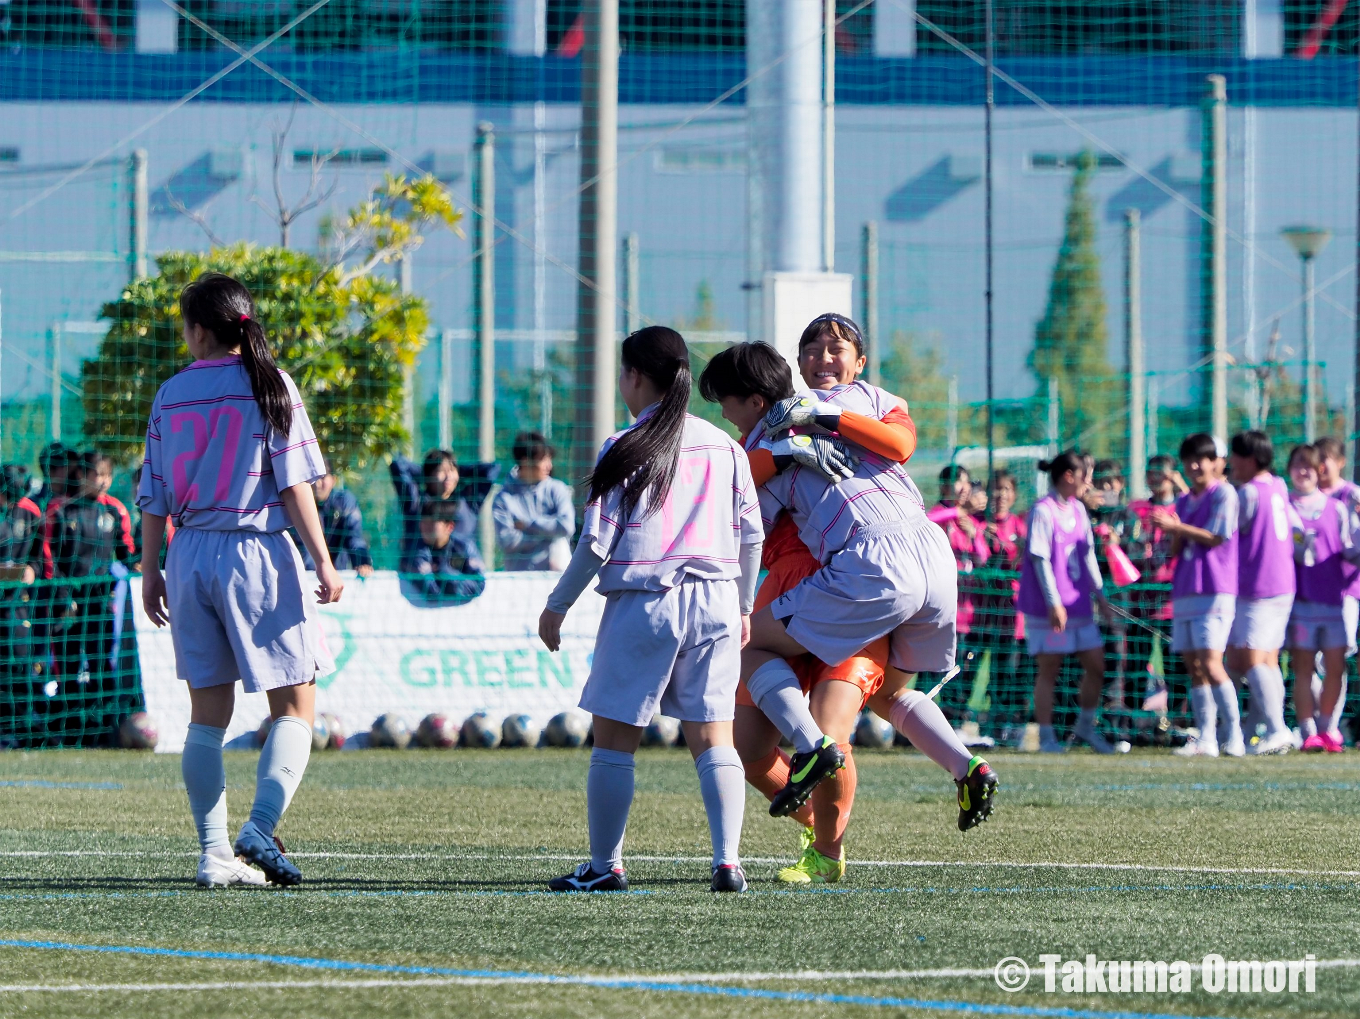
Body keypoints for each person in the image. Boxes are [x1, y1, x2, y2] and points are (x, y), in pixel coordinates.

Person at [739, 314, 995, 842]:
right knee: (891, 694)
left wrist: (813, 425)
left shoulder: (852, 404)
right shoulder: (805, 423)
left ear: (860, 363)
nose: (823, 358)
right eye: (811, 349)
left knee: (746, 646)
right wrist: (788, 447)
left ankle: (812, 749)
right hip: (932, 559)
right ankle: (968, 768)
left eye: (837, 348)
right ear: (797, 361)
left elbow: (899, 445)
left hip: (872, 562)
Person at [537, 326, 764, 894]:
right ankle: (728, 862)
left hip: (646, 599)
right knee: (715, 738)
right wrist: (744, 607)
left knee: (615, 739)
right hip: (715, 600)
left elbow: (595, 542)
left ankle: (605, 865)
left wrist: (555, 606)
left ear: (634, 376)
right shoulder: (726, 446)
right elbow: (751, 534)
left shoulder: (626, 444)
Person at [137, 272, 342, 889]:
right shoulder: (270, 383)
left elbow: (152, 494)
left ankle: (213, 855)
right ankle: (260, 825)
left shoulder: (171, 393)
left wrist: (151, 572)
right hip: (255, 551)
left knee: (207, 715)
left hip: (189, 553)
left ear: (198, 330)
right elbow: (294, 483)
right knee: (296, 703)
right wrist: (324, 560)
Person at [1150, 434, 1242, 757]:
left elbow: (1217, 537)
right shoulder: (1185, 501)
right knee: (1194, 666)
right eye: (1189, 459)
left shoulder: (1225, 494)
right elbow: (1177, 547)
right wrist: (1170, 529)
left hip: (1215, 588)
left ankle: (1235, 735)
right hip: (1187, 587)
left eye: (1202, 458)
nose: (1195, 465)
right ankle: (1206, 738)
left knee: (1212, 662)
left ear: (1217, 462)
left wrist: (1177, 528)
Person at [1016, 451, 1114, 754]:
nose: (1090, 480)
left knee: (1096, 665)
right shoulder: (1043, 511)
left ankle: (1085, 727)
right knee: (1050, 670)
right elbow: (1040, 558)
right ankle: (1047, 737)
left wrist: (1101, 596)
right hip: (1050, 608)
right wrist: (1053, 602)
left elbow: (1087, 556)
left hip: (1079, 605)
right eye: (1085, 473)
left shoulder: (1079, 510)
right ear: (1069, 476)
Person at [1225, 431, 1298, 756]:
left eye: (1235, 456)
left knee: (1254, 658)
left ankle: (1277, 729)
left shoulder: (1249, 492)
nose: (1230, 463)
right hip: (1282, 582)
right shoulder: (1279, 486)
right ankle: (1252, 727)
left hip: (1259, 585)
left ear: (1249, 459)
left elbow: (1227, 535)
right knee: (1260, 658)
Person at [1286, 443, 1358, 753]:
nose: (1303, 472)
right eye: (1297, 465)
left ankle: (1329, 728)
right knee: (1303, 668)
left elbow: (1348, 551)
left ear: (1319, 471)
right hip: (1299, 603)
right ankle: (1308, 731)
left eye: (1309, 466)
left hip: (1333, 602)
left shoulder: (1337, 508)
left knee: (1335, 666)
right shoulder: (1284, 505)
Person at [1313, 435, 1357, 736]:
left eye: (1325, 458)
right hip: (1309, 589)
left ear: (1340, 461)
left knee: (1335, 656)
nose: (1320, 465)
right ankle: (1314, 722)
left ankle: (1330, 725)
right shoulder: (1306, 496)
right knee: (1307, 658)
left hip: (1345, 591)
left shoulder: (1351, 495)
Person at [390, 449, 499, 562]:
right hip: (422, 570)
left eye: (452, 470)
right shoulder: (416, 501)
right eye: (441, 471)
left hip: (461, 572)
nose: (448, 476)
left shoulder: (467, 501)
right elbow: (398, 465)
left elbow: (492, 469)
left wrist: (457, 469)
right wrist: (425, 472)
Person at [492, 431, 575, 571]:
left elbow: (567, 526)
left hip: (557, 577)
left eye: (550, 459)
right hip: (519, 579)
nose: (549, 466)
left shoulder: (557, 489)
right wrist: (549, 535)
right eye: (543, 460)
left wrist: (528, 524)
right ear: (525, 460)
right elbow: (506, 540)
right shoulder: (504, 498)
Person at [933, 465, 990, 643]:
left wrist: (973, 535)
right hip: (943, 605)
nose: (965, 487)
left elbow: (983, 558)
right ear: (944, 487)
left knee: (965, 665)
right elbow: (928, 521)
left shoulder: (972, 520)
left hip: (968, 606)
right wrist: (959, 511)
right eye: (958, 481)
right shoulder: (940, 514)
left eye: (967, 481)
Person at [399, 500, 487, 606]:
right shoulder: (415, 551)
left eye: (432, 522)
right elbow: (432, 593)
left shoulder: (464, 547)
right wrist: (459, 577)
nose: (425, 527)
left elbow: (478, 585)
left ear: (449, 527)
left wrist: (441, 571)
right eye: (423, 522)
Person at [291, 472, 373, 577]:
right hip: (307, 576)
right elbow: (302, 547)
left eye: (323, 478)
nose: (318, 484)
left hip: (338, 573)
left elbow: (354, 536)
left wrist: (362, 561)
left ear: (333, 480)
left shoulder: (344, 501)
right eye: (313, 479)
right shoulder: (297, 503)